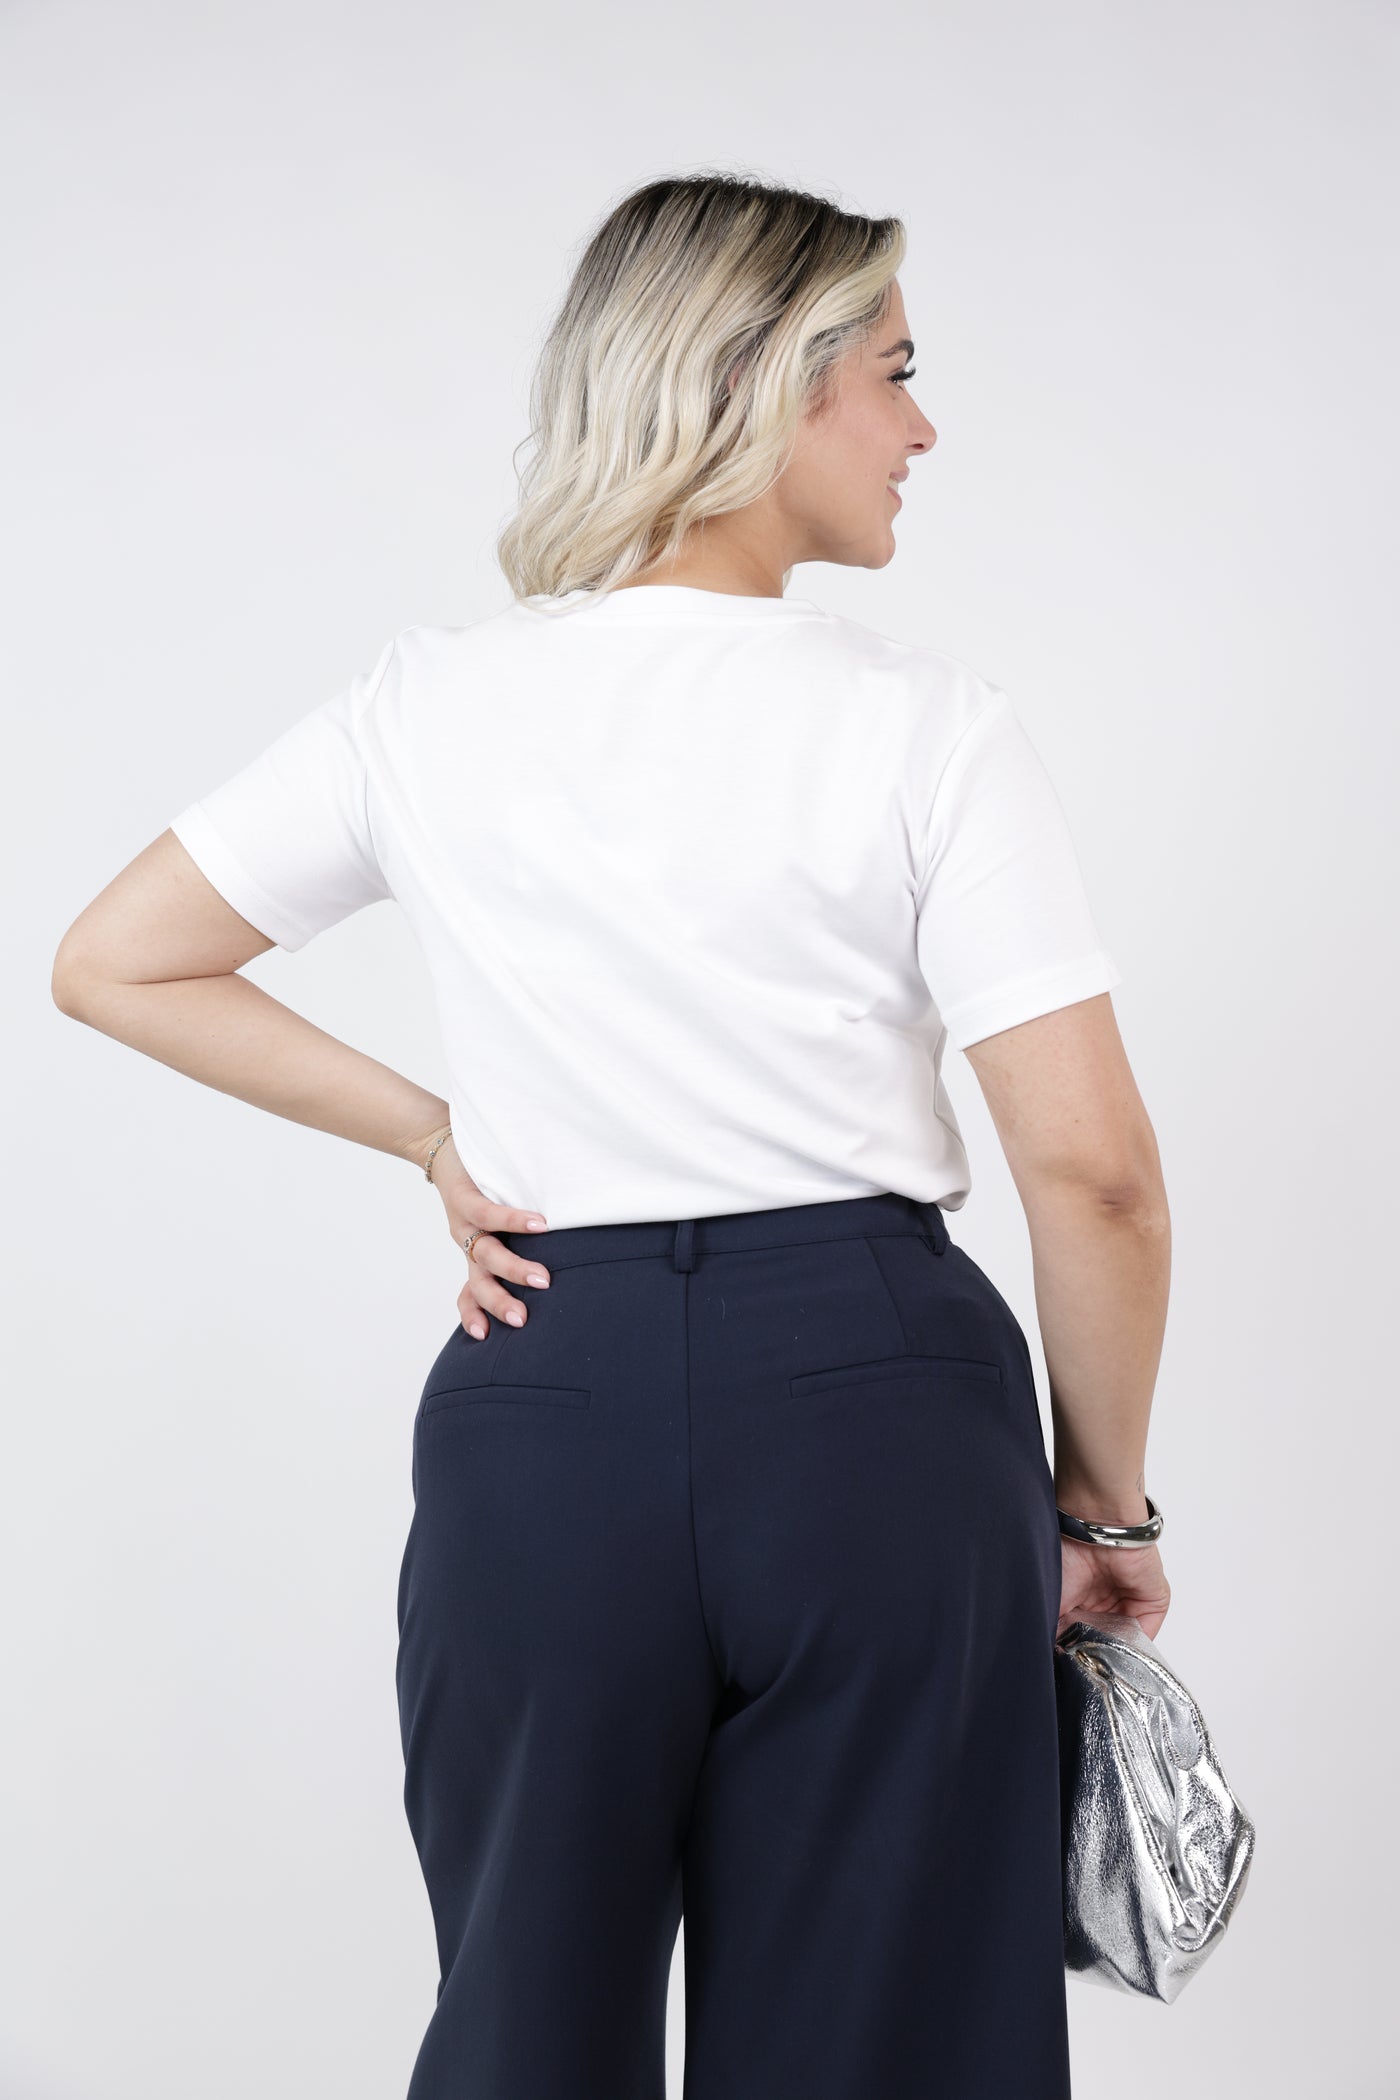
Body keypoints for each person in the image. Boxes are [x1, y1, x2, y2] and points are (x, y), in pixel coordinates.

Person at [52, 172, 1171, 2100]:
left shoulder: (422, 707)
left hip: (543, 1390)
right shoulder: (926, 725)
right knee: (888, 2048)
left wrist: (438, 1140)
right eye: (897, 375)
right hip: (881, 1408)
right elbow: (1097, 1175)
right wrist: (1106, 1506)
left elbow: (115, 960)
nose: (922, 430)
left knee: (522, 2026)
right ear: (761, 385)